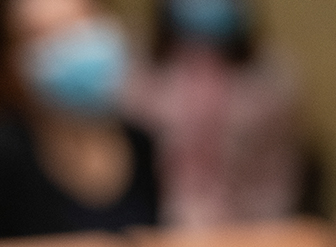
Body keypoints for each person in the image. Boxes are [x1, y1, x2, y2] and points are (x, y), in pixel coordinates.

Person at [0, 0, 158, 240]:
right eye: (43, 36)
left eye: (78, 25)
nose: (71, 46)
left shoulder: (142, 145)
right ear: (5, 68)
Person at [122, 0, 310, 228]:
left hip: (252, 229)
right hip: (159, 229)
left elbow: (278, 174)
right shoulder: (136, 72)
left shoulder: (272, 77)